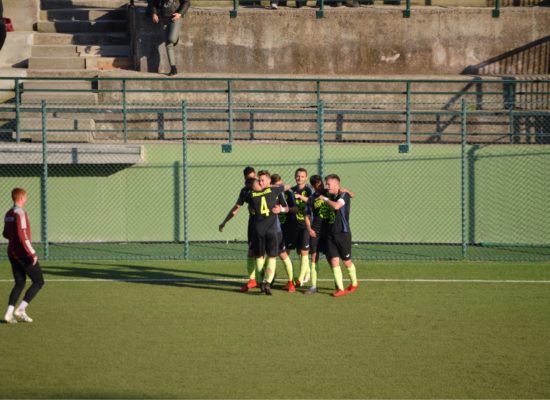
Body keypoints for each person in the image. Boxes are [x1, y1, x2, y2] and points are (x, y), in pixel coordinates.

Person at [3, 188, 45, 323]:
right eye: (25, 197)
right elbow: (23, 236)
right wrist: (32, 253)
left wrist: (14, 239)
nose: (26, 199)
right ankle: (21, 309)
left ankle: (9, 314)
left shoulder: (8, 213)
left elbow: (5, 234)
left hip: (11, 252)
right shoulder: (20, 213)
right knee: (39, 281)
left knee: (20, 283)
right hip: (22, 254)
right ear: (21, 198)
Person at [245, 171, 287, 295]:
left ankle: (260, 281)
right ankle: (267, 282)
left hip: (259, 230)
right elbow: (285, 186)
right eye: (259, 181)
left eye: (262, 180)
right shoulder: (273, 191)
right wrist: (273, 186)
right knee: (272, 257)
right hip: (272, 230)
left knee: (259, 256)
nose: (260, 182)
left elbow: (249, 206)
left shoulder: (251, 195)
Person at [219, 166, 258, 292]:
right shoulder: (245, 191)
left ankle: (267, 277)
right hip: (253, 224)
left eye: (252, 178)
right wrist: (224, 222)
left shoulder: (264, 187)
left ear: (256, 176)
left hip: (268, 224)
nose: (250, 181)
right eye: (248, 179)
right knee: (251, 251)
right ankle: (252, 280)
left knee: (267, 253)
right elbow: (236, 208)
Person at [319, 174, 358, 297]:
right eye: (326, 184)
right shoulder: (331, 194)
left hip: (343, 234)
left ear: (337, 184)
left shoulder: (343, 195)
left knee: (346, 261)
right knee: (334, 260)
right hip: (331, 234)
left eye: (329, 184)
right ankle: (340, 289)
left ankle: (354, 284)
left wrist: (324, 199)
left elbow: (336, 206)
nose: (327, 186)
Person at [148, 0, 190, 76]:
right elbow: (153, 3)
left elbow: (186, 2)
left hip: (175, 18)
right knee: (169, 44)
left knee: (171, 39)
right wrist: (154, 13)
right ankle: (173, 68)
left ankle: (175, 37)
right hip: (163, 18)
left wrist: (180, 13)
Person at [271, 173, 297, 293]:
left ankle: (293, 280)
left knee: (283, 254)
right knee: (269, 255)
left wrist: (281, 209)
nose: (277, 187)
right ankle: (270, 278)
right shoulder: (267, 192)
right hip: (271, 227)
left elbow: (294, 208)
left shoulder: (287, 193)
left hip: (285, 227)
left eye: (279, 185)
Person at [291, 168, 313, 286]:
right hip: (295, 224)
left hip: (305, 224)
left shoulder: (308, 190)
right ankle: (307, 274)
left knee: (304, 252)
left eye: (302, 176)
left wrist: (301, 197)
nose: (299, 178)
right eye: (298, 176)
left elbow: (313, 201)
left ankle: (300, 280)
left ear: (306, 177)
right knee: (299, 251)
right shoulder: (292, 190)